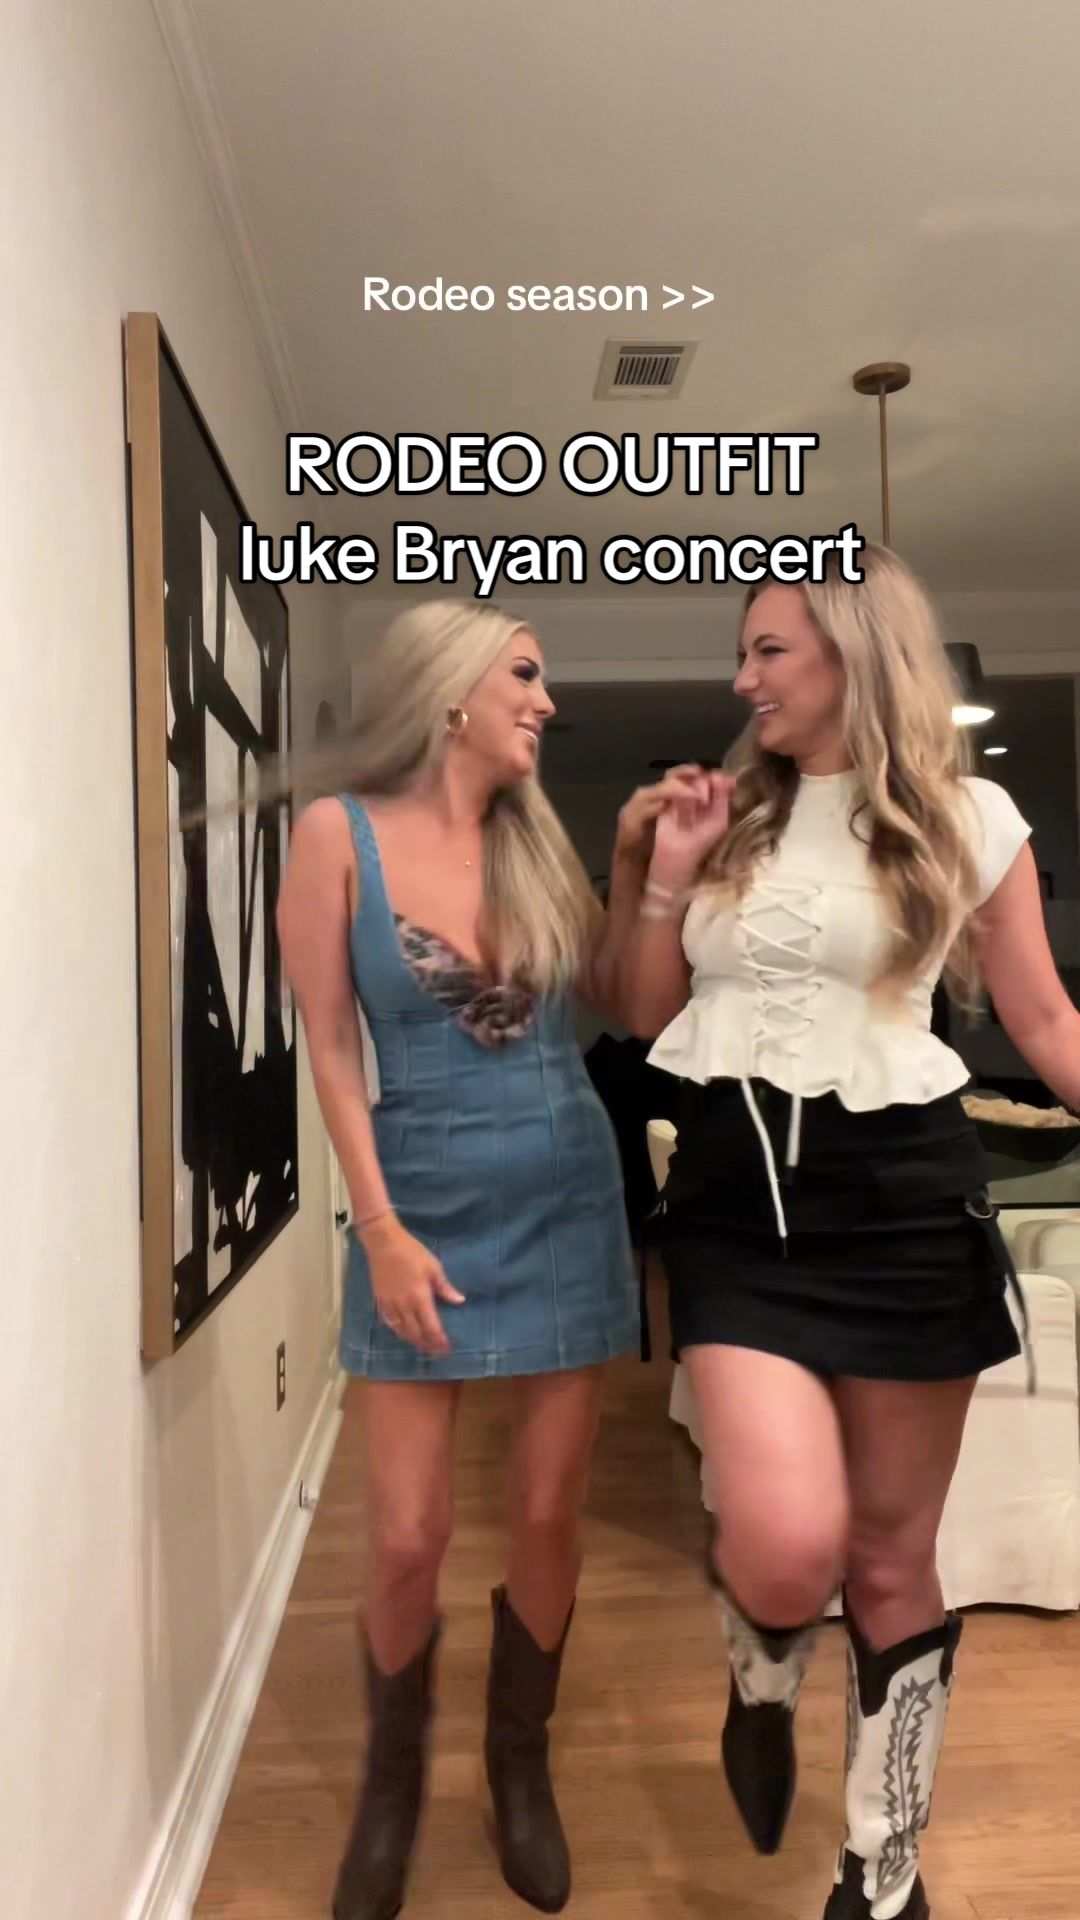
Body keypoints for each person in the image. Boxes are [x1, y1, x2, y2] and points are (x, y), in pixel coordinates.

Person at [610, 544, 1080, 1920]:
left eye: (769, 650)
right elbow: (641, 1014)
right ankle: (762, 1673)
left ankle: (882, 1868)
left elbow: (1043, 1018)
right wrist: (660, 872)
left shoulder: (970, 817)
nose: (740, 679)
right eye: (742, 651)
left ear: (859, 652)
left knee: (890, 1559)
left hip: (908, 1205)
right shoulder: (719, 819)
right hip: (736, 1211)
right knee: (781, 1539)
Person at [276, 600, 674, 1920]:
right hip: (420, 1205)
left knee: (549, 1513)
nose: (547, 701)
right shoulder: (335, 837)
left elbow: (631, 1003)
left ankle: (519, 1766)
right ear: (451, 692)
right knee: (407, 1535)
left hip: (568, 1193)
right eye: (526, 675)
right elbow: (334, 1050)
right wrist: (380, 1228)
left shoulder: (540, 842)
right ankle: (391, 1792)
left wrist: (637, 865)